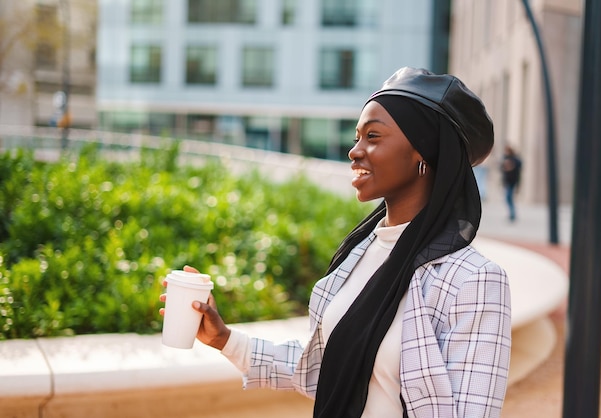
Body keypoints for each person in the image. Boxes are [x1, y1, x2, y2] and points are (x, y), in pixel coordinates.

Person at [160, 67, 512, 417]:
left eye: (373, 137)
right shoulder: (359, 252)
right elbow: (321, 366)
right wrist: (223, 338)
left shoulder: (473, 280)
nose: (354, 151)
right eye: (357, 137)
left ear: (422, 152)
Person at [500, 145, 522, 221]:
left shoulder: (515, 159)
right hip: (508, 181)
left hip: (513, 181)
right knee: (508, 198)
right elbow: (501, 168)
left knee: (509, 197)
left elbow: (518, 166)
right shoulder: (505, 159)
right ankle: (512, 213)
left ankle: (512, 214)